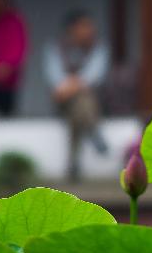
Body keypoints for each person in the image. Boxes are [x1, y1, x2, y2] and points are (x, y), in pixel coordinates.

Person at [44, 11, 110, 180]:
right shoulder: (55, 48)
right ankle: (93, 131)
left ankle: (73, 164)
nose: (90, 30)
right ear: (72, 28)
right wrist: (71, 86)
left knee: (80, 105)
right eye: (85, 25)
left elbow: (94, 75)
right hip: (63, 99)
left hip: (91, 99)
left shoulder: (98, 47)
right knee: (80, 103)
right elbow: (54, 77)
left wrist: (73, 85)